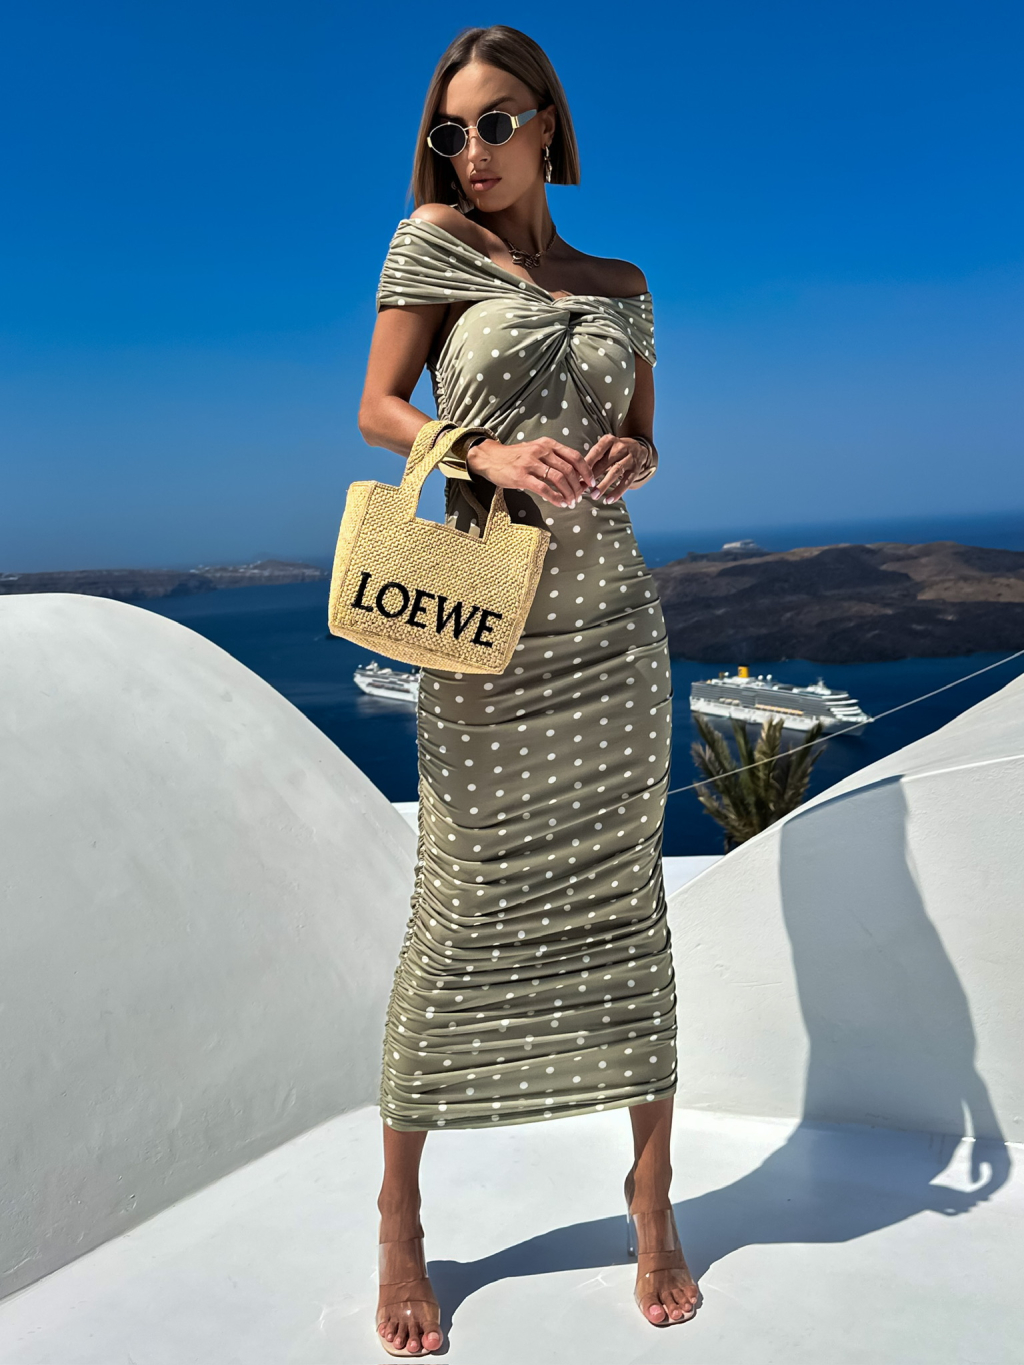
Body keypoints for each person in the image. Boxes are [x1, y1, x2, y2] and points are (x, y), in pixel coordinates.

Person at [358, 24, 699, 1356]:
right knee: (457, 913)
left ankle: (652, 1200)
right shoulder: (431, 249)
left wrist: (629, 456)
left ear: (549, 122)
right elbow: (380, 407)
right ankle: (400, 1216)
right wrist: (484, 452)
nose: (474, 151)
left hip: (614, 634)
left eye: (498, 122)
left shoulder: (623, 284)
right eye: (452, 131)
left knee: (628, 907)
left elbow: (648, 438)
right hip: (485, 637)